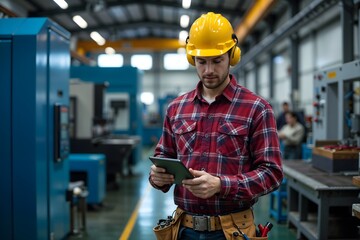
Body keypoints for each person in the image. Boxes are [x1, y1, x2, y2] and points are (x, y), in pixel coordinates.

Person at [149, 12, 283, 240]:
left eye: (217, 60)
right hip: (184, 228)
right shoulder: (176, 108)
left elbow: (272, 174)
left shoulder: (256, 108)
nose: (209, 70)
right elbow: (164, 157)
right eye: (201, 62)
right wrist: (156, 178)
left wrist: (222, 185)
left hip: (233, 231)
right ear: (193, 59)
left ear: (232, 56)